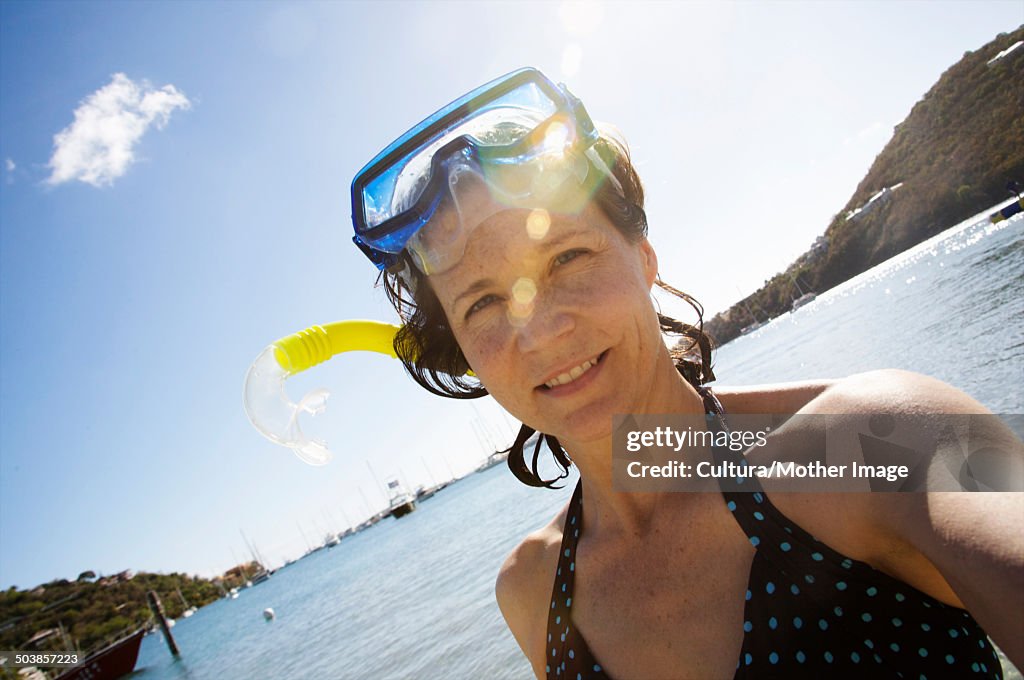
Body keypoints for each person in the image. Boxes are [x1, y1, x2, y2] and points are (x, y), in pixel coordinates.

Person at [349, 68, 1023, 679]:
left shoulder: (885, 437)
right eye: (485, 302)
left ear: (644, 259)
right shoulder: (531, 590)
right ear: (466, 350)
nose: (540, 330)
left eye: (566, 258)